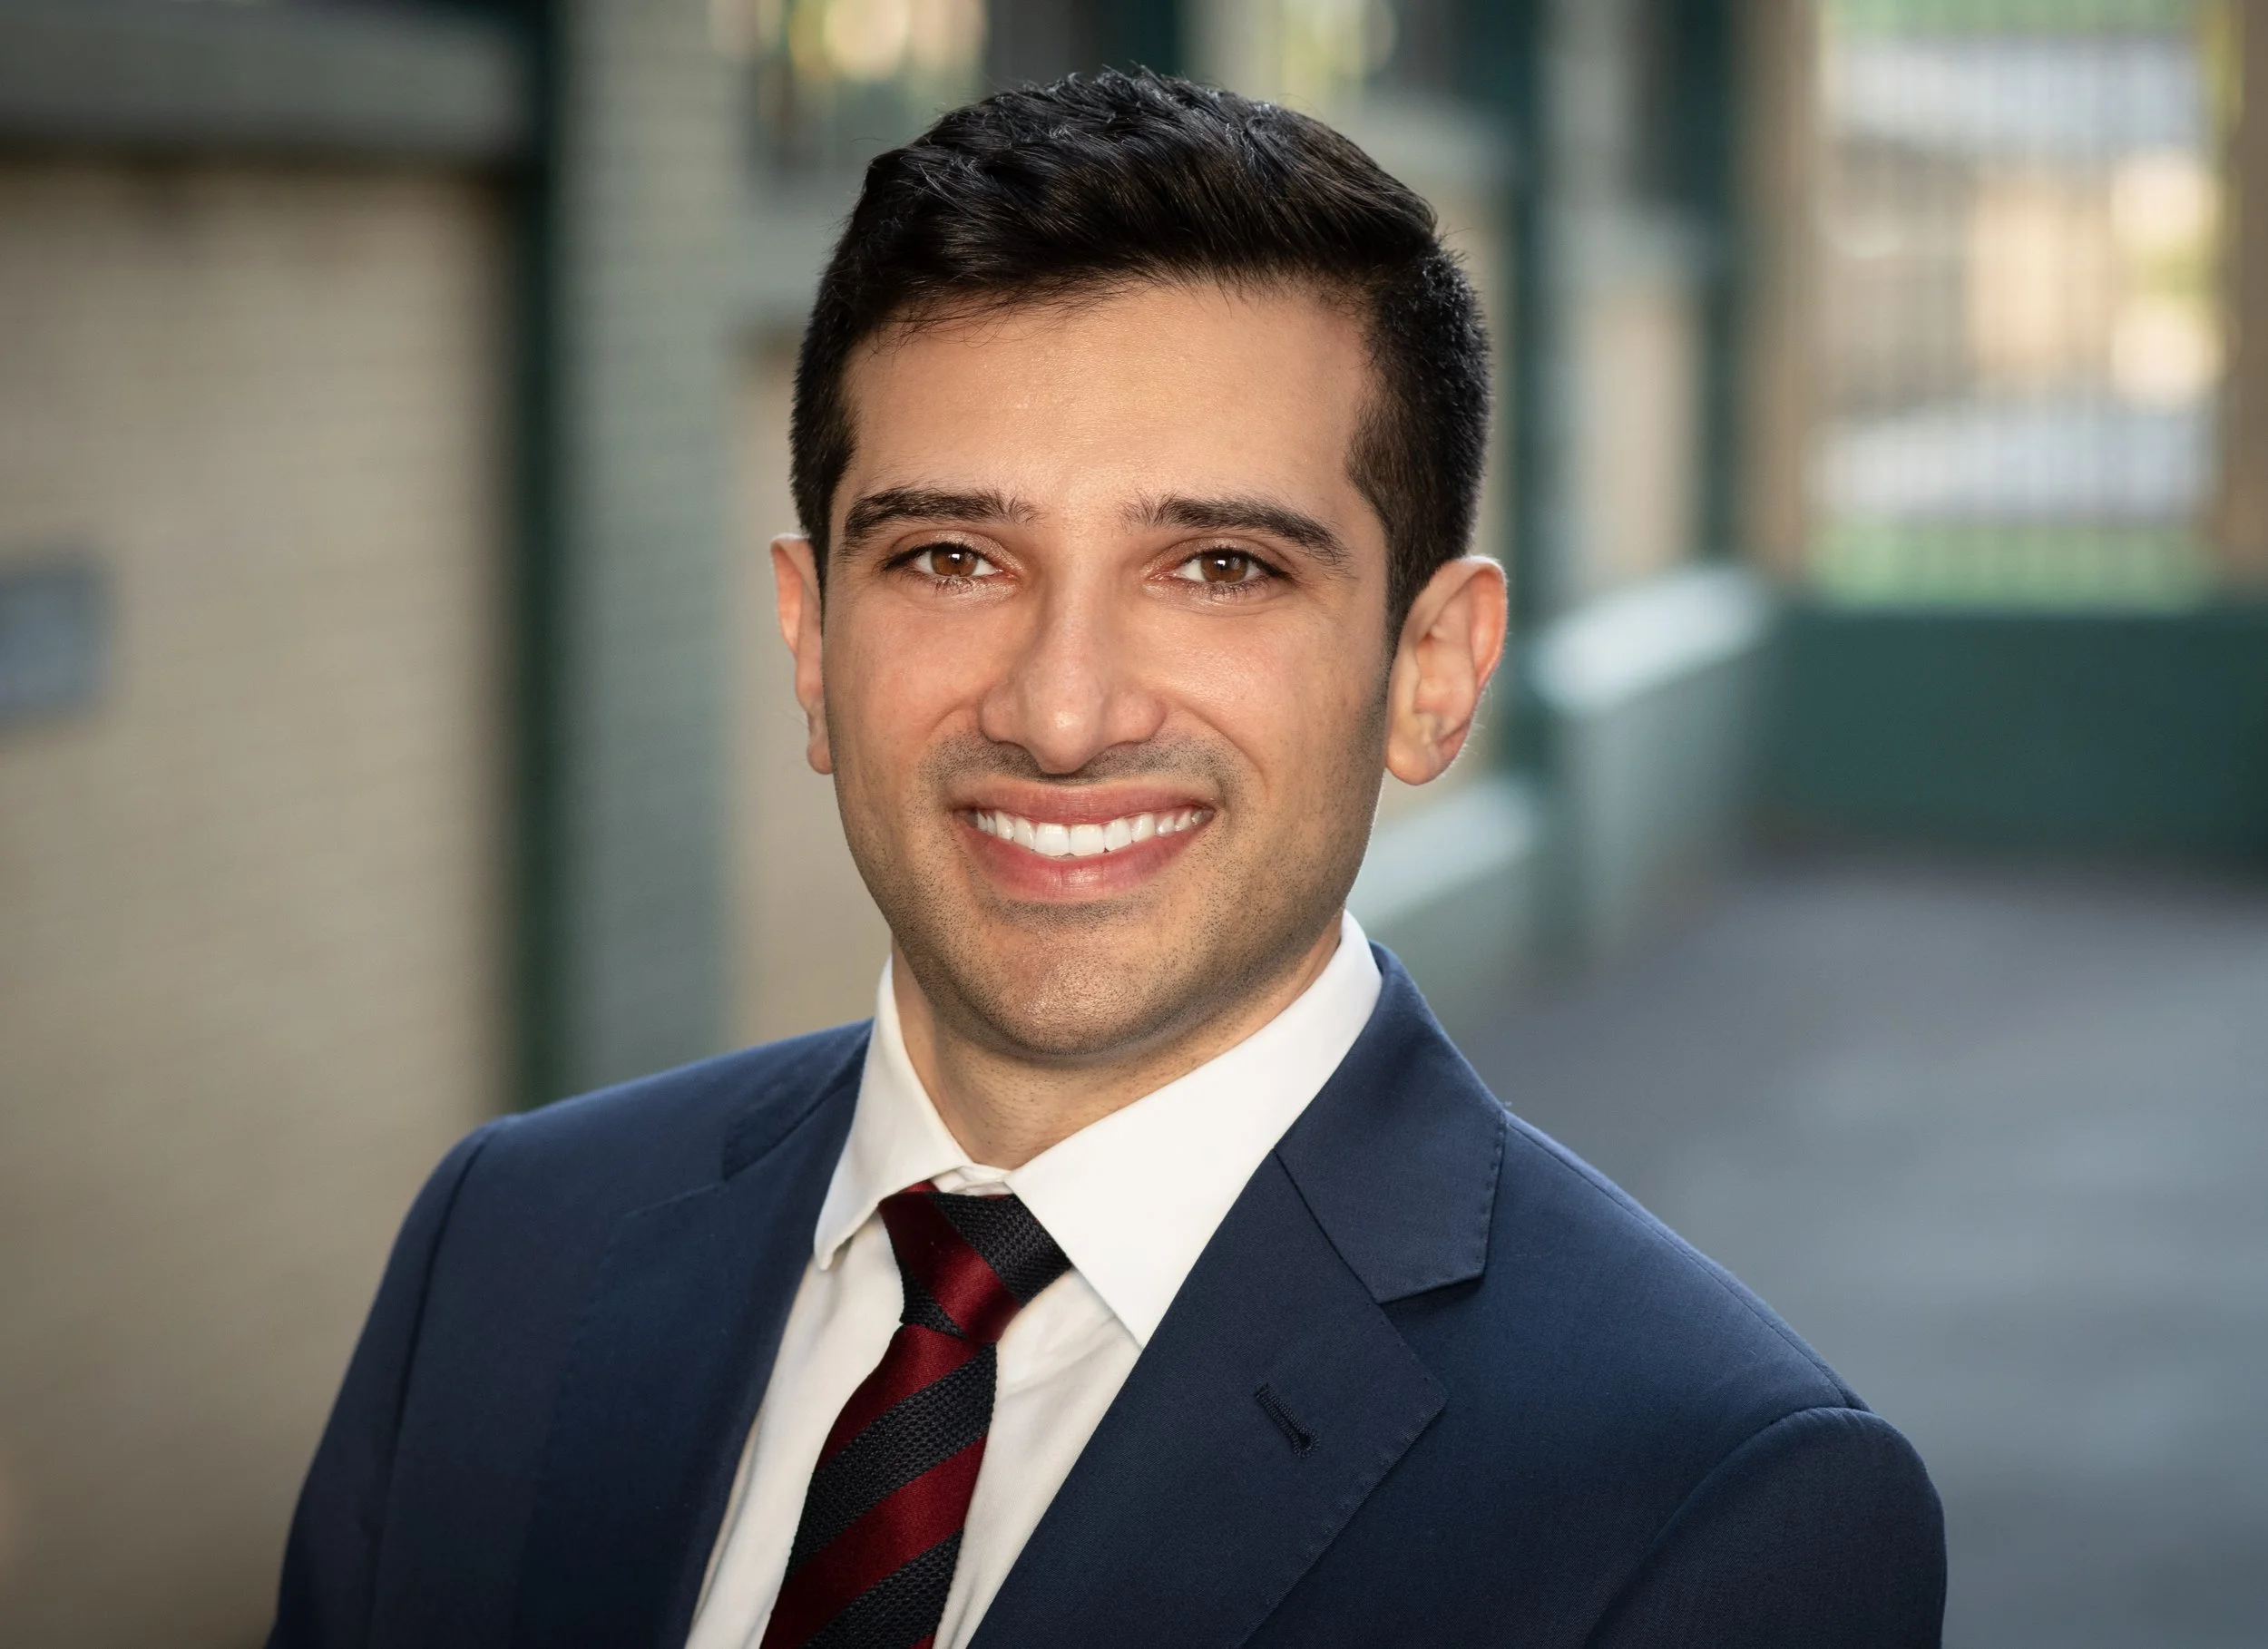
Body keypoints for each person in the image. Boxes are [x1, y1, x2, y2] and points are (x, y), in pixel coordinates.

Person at [270, 70, 1944, 1649]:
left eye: (1218, 565)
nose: (1061, 711)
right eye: (949, 556)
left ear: (1432, 671)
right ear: (810, 641)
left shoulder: (1713, 1502)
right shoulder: (505, 1251)